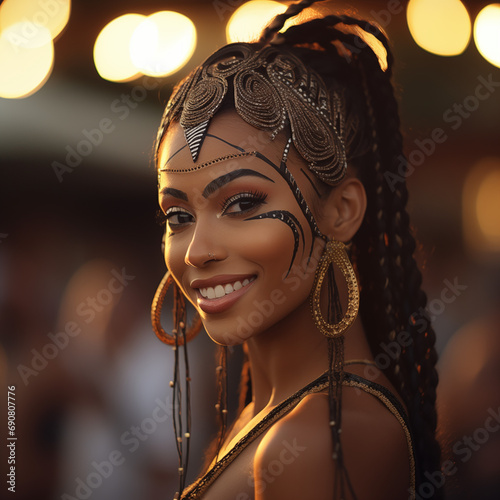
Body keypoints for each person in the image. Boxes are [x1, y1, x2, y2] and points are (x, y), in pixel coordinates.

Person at [151, 1, 441, 498]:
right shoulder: (270, 418)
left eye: (242, 203)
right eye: (179, 216)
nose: (197, 251)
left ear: (342, 210)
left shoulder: (316, 440)